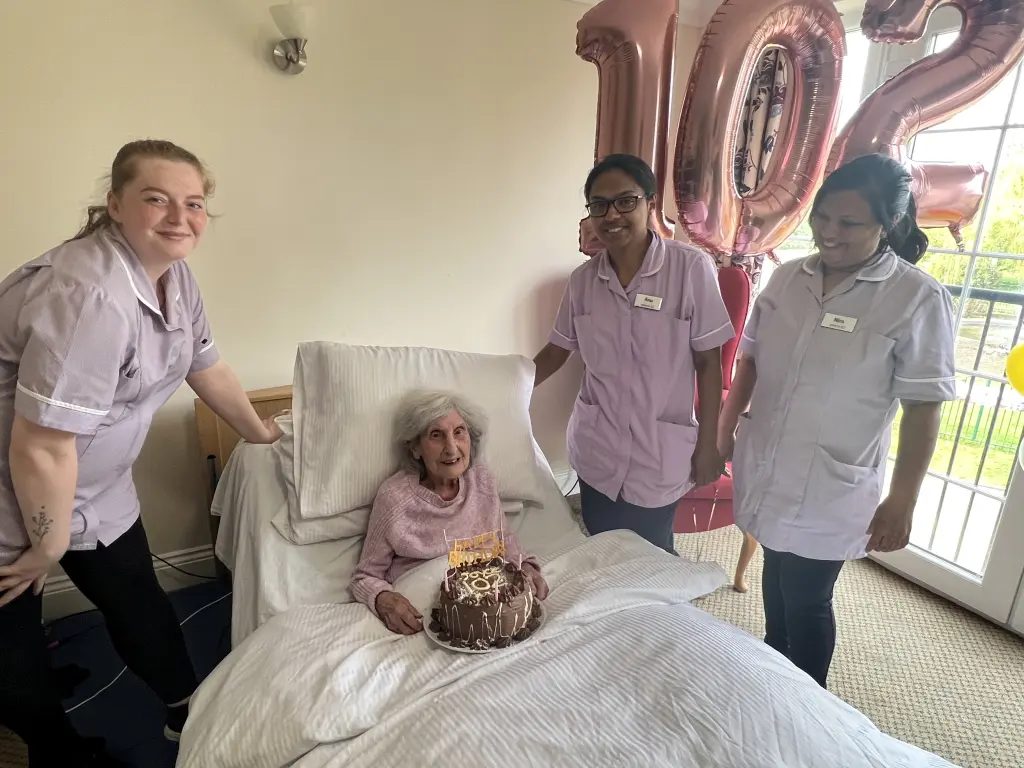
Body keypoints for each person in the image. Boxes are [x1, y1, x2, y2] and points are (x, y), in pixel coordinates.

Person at [0, 140, 283, 766]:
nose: (179, 217)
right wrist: (46, 548)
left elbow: (205, 365)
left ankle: (188, 706)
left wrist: (261, 434)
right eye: (156, 199)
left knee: (138, 599)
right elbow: (41, 443)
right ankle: (54, 749)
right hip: (10, 495)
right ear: (115, 205)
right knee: (12, 647)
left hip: (92, 488)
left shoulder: (173, 276)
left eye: (193, 203)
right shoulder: (90, 294)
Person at [718, 153, 956, 688]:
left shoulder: (915, 299)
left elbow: (924, 408)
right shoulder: (784, 280)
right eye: (822, 217)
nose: (829, 232)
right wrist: (723, 435)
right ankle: (775, 680)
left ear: (888, 224)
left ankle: (808, 704)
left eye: (848, 223)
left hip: (832, 482)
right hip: (770, 462)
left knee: (806, 598)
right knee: (777, 584)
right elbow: (749, 362)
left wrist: (902, 500)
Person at [532, 154, 734, 554]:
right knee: (602, 552)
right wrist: (500, 386)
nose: (612, 215)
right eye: (599, 205)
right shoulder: (584, 282)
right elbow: (557, 351)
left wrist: (709, 443)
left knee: (652, 558)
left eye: (626, 201)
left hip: (657, 451)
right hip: (597, 449)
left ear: (650, 204)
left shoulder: (690, 269)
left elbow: (709, 363)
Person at [351, 390, 548, 635]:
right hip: (423, 620)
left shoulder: (482, 481)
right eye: (436, 435)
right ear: (415, 448)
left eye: (459, 432)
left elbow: (503, 540)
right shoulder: (395, 499)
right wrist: (383, 599)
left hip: (490, 612)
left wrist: (527, 566)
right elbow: (364, 577)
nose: (451, 447)